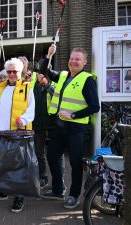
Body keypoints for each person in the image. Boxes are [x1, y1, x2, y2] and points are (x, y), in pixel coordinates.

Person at [40, 44, 100, 209]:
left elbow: (95, 107)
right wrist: (49, 55)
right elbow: (44, 72)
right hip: (58, 127)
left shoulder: (87, 80)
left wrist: (73, 115)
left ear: (84, 62)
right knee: (52, 157)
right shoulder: (64, 75)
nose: (74, 61)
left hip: (76, 129)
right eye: (72, 58)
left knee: (75, 163)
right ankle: (58, 189)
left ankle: (74, 195)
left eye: (78, 59)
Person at [0, 58, 35, 213]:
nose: (12, 74)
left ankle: (19, 196)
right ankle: (2, 191)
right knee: (3, 164)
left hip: (19, 134)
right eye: (9, 71)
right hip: (2, 133)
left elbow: (32, 110)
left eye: (15, 71)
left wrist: (23, 120)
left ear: (21, 72)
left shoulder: (27, 88)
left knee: (19, 167)